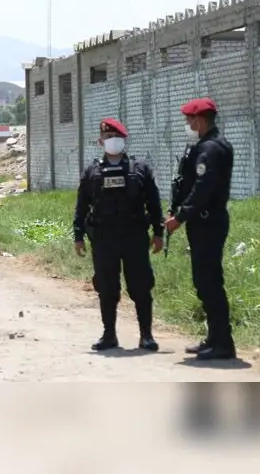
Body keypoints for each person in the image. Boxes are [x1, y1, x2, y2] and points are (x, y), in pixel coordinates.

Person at [73, 118, 164, 352]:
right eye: (107, 136)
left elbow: (154, 203)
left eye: (115, 136)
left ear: (124, 139)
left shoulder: (140, 169)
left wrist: (158, 232)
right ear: (100, 140)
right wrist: (78, 235)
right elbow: (82, 205)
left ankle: (146, 335)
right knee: (107, 287)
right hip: (104, 238)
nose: (111, 140)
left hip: (134, 236)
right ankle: (109, 335)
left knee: (140, 286)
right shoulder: (92, 171)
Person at [164, 97, 236, 360]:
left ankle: (223, 343)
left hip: (208, 222)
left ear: (200, 120)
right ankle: (215, 337)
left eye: (189, 119)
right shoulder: (206, 146)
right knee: (204, 281)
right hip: (203, 222)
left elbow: (202, 189)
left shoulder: (211, 149)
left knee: (209, 282)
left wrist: (179, 217)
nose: (187, 123)